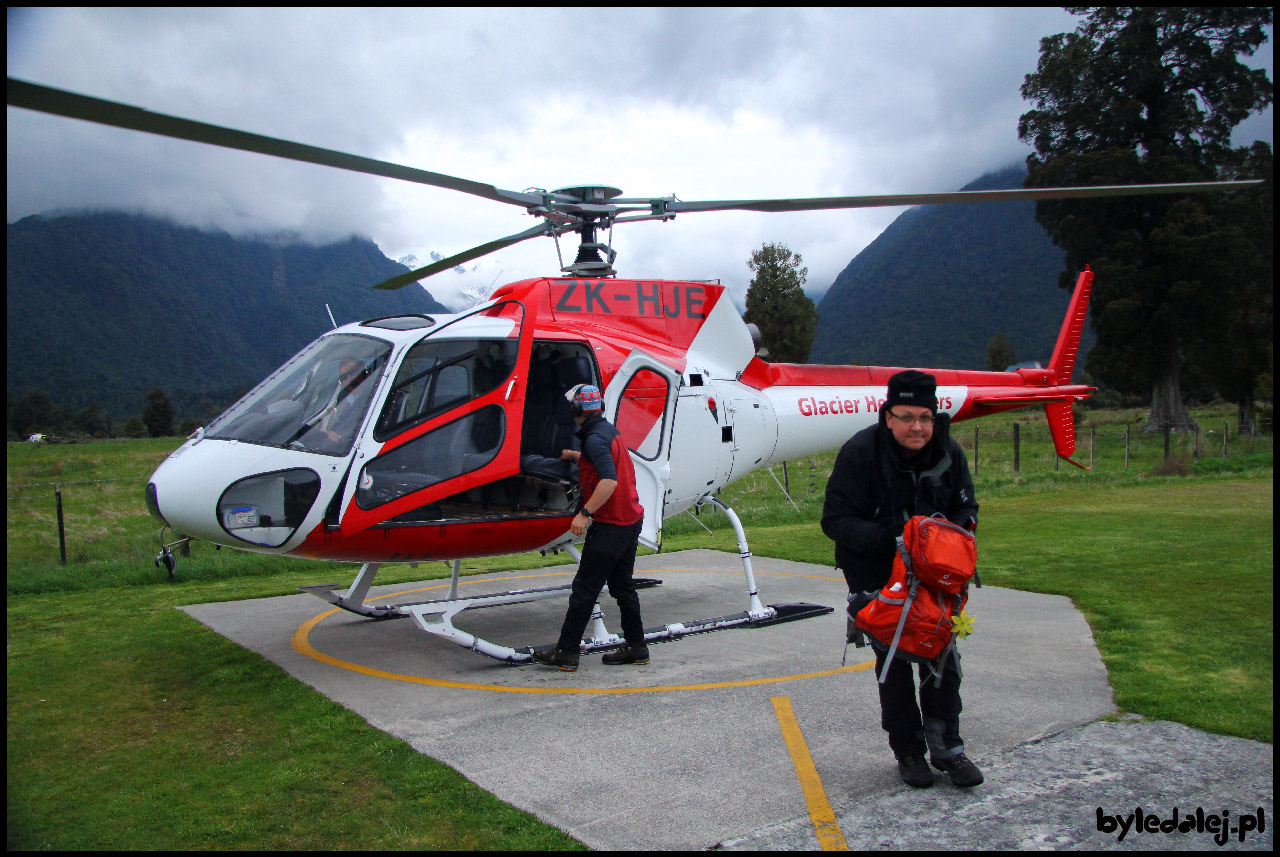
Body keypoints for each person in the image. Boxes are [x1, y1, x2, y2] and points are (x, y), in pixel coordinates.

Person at [821, 370, 983, 789]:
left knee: (942, 660)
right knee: (892, 665)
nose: (917, 427)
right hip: (875, 576)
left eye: (925, 417)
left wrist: (947, 543)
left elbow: (968, 510)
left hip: (938, 582)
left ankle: (949, 750)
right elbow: (835, 521)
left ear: (935, 417)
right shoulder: (859, 452)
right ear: (888, 416)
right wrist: (898, 543)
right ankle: (908, 752)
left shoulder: (950, 453)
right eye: (906, 416)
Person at [532, 384, 649, 671]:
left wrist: (584, 513)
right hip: (630, 519)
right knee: (622, 586)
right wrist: (577, 457)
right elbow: (606, 462)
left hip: (611, 526)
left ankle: (567, 652)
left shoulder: (595, 438)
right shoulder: (606, 431)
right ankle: (637, 646)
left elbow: (609, 481)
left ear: (576, 410)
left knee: (585, 588)